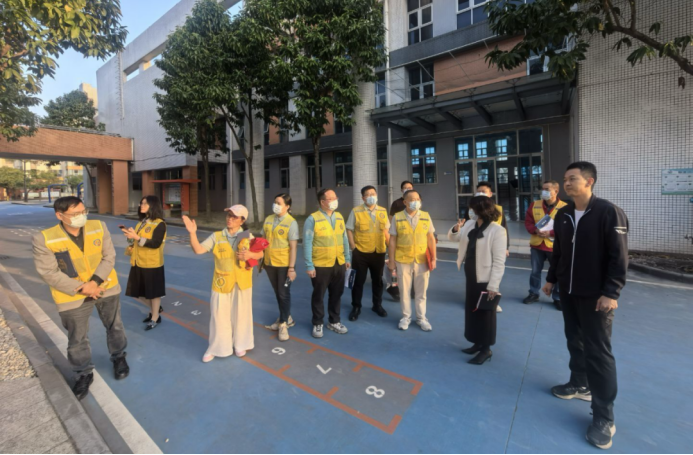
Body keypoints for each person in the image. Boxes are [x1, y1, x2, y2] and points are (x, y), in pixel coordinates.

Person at [542, 162, 629, 451]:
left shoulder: (608, 212)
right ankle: (579, 384)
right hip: (568, 292)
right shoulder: (564, 213)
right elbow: (559, 251)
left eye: (572, 179)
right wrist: (551, 280)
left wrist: (611, 292)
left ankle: (604, 417)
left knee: (598, 352)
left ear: (589, 181)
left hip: (597, 297)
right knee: (574, 340)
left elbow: (619, 257)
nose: (567, 183)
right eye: (565, 179)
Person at [33, 197, 129, 401]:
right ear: (60, 215)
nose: (82, 216)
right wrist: (83, 288)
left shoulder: (98, 227)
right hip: (71, 295)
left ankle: (119, 357)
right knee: (77, 338)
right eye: (75, 214)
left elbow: (109, 257)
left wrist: (94, 282)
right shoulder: (45, 238)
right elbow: (48, 272)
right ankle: (83, 373)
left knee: (115, 326)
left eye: (84, 211)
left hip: (105, 287)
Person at [183, 206, 263, 363]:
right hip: (221, 282)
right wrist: (192, 233)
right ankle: (217, 347)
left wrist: (250, 254)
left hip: (243, 282)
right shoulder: (217, 236)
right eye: (228, 215)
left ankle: (241, 344)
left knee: (242, 314)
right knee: (219, 316)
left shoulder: (247, 236)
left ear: (242, 221)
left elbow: (260, 253)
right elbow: (198, 250)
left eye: (234, 217)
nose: (230, 219)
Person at [449, 197, 507, 365]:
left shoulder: (497, 230)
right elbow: (455, 238)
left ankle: (486, 349)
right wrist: (456, 229)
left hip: (485, 278)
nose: (469, 211)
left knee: (485, 313)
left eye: (472, 208)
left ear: (481, 210)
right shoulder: (469, 224)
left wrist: (494, 285)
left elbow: (499, 261)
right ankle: (477, 342)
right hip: (471, 274)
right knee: (472, 309)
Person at [304, 189, 352, 339]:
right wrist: (309, 265)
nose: (335, 200)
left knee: (337, 294)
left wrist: (347, 258)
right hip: (321, 264)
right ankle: (317, 322)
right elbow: (307, 243)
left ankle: (334, 321)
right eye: (331, 198)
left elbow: (344, 238)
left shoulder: (339, 217)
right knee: (319, 295)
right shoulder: (313, 219)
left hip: (338, 262)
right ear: (322, 202)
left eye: (335, 197)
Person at [388, 190, 437, 332]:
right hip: (403, 260)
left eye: (417, 199)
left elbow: (430, 238)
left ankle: (421, 318)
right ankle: (406, 317)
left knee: (421, 291)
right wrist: (391, 260)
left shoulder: (426, 216)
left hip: (422, 260)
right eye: (412, 199)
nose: (415, 201)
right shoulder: (397, 217)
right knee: (404, 291)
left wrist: (434, 258)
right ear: (405, 202)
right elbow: (392, 240)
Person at [346, 186, 391, 321]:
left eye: (373, 193)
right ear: (363, 198)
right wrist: (353, 247)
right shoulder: (356, 211)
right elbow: (349, 229)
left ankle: (377, 305)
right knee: (358, 281)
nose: (371, 196)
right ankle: (356, 307)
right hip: (361, 252)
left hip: (379, 251)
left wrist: (390, 248)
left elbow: (386, 231)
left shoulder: (383, 211)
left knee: (378, 281)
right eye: (368, 194)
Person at [123, 196, 167, 331]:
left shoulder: (160, 224)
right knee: (138, 291)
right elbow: (137, 241)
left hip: (152, 263)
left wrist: (136, 237)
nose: (141, 206)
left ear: (152, 206)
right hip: (138, 261)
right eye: (141, 203)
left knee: (153, 292)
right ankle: (156, 309)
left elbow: (155, 244)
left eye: (145, 204)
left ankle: (155, 316)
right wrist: (130, 237)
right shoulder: (141, 222)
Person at [523, 181, 567, 311]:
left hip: (555, 246)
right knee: (535, 272)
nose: (543, 192)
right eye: (542, 189)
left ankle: (557, 297)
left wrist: (551, 233)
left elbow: (567, 227)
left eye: (547, 189)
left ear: (556, 191)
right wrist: (535, 230)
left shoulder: (565, 207)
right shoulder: (534, 205)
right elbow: (528, 222)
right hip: (537, 245)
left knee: (558, 272)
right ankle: (533, 293)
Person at [262, 194, 299, 341]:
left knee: (283, 293)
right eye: (275, 202)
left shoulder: (291, 222)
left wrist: (291, 268)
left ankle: (283, 324)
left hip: (284, 265)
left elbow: (293, 247)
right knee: (278, 292)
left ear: (287, 206)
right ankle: (286, 317)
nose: (275, 205)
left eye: (279, 203)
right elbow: (263, 240)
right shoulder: (268, 219)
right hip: (269, 263)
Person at [469, 182, 510, 313]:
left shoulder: (497, 211)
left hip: (493, 245)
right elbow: (465, 227)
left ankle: (491, 298)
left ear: (490, 193)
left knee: (493, 272)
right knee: (476, 278)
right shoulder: (472, 210)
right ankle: (476, 299)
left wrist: (506, 246)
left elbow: (504, 229)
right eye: (478, 191)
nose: (480, 193)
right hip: (477, 249)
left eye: (483, 191)